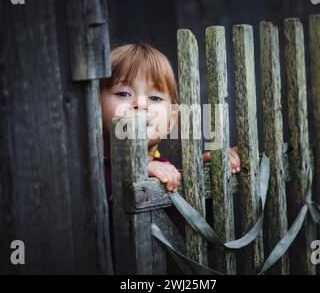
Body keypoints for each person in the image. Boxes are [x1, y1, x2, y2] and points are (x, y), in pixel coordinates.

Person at [100, 43, 241, 237]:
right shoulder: (90, 173)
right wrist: (135, 176)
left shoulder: (168, 171)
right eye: (124, 94)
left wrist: (204, 177)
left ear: (171, 121)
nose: (140, 104)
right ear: (95, 108)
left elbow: (192, 238)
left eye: (155, 98)